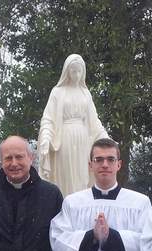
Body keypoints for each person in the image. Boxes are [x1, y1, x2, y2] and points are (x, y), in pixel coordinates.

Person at [38, 53, 107, 197]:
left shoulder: (85, 93)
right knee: (65, 175)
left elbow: (94, 122)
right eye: (73, 71)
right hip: (64, 140)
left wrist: (105, 139)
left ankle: (82, 209)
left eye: (79, 71)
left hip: (83, 141)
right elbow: (48, 119)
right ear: (67, 72)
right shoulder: (57, 92)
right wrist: (46, 137)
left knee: (82, 176)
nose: (76, 75)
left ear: (83, 72)